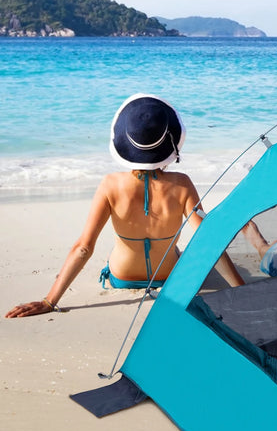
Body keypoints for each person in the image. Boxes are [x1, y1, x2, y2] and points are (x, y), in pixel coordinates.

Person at [5, 93, 244, 319]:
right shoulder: (182, 184)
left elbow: (83, 248)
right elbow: (208, 239)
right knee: (181, 255)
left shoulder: (110, 185)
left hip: (122, 277)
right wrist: (244, 292)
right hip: (168, 277)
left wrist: (49, 301)